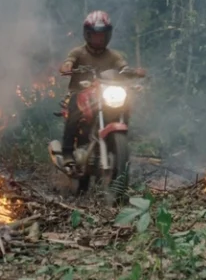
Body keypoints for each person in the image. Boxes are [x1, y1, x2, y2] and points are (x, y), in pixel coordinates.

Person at [59, 10, 145, 171]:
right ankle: (67, 153)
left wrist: (133, 72)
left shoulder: (113, 55)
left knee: (125, 106)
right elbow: (69, 61)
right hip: (80, 93)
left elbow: (123, 67)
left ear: (108, 36)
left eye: (103, 35)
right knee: (73, 114)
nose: (99, 38)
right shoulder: (78, 52)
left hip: (103, 94)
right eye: (95, 35)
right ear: (88, 35)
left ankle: (118, 145)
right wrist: (67, 67)